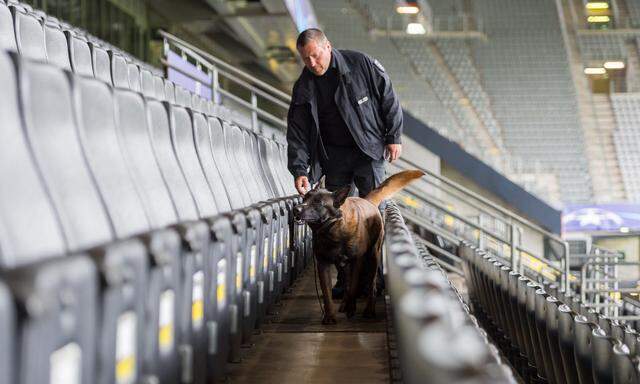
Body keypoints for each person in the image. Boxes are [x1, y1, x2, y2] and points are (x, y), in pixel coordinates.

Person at [286, 28, 403, 297]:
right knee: (337, 222)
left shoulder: (360, 64)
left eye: (315, 56)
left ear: (328, 46)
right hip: (334, 158)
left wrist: (393, 135)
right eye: (306, 59)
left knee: (373, 216)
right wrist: (300, 169)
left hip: (368, 152)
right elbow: (298, 133)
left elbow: (389, 98)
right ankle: (344, 281)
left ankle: (374, 281)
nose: (313, 64)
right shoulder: (304, 87)